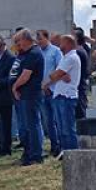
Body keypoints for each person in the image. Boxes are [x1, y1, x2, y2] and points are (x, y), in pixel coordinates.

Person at [10, 29, 45, 165]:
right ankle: (28, 153)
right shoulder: (25, 53)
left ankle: (36, 155)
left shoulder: (34, 53)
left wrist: (14, 87)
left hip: (31, 94)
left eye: (19, 41)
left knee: (33, 124)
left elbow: (26, 75)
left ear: (26, 39)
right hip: (24, 94)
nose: (18, 44)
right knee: (26, 125)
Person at [48, 34, 82, 152]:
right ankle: (65, 152)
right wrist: (60, 75)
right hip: (60, 95)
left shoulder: (71, 57)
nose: (59, 44)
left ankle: (72, 152)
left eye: (62, 42)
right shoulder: (64, 57)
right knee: (61, 127)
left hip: (67, 96)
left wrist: (58, 74)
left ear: (68, 43)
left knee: (67, 128)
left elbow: (54, 75)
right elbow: (57, 75)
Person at [37, 29, 63, 157]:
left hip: (53, 90)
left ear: (47, 38)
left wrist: (48, 85)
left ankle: (60, 145)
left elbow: (59, 71)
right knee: (47, 121)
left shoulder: (56, 52)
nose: (39, 41)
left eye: (41, 39)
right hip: (41, 90)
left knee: (57, 119)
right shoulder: (37, 53)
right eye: (38, 39)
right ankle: (53, 145)